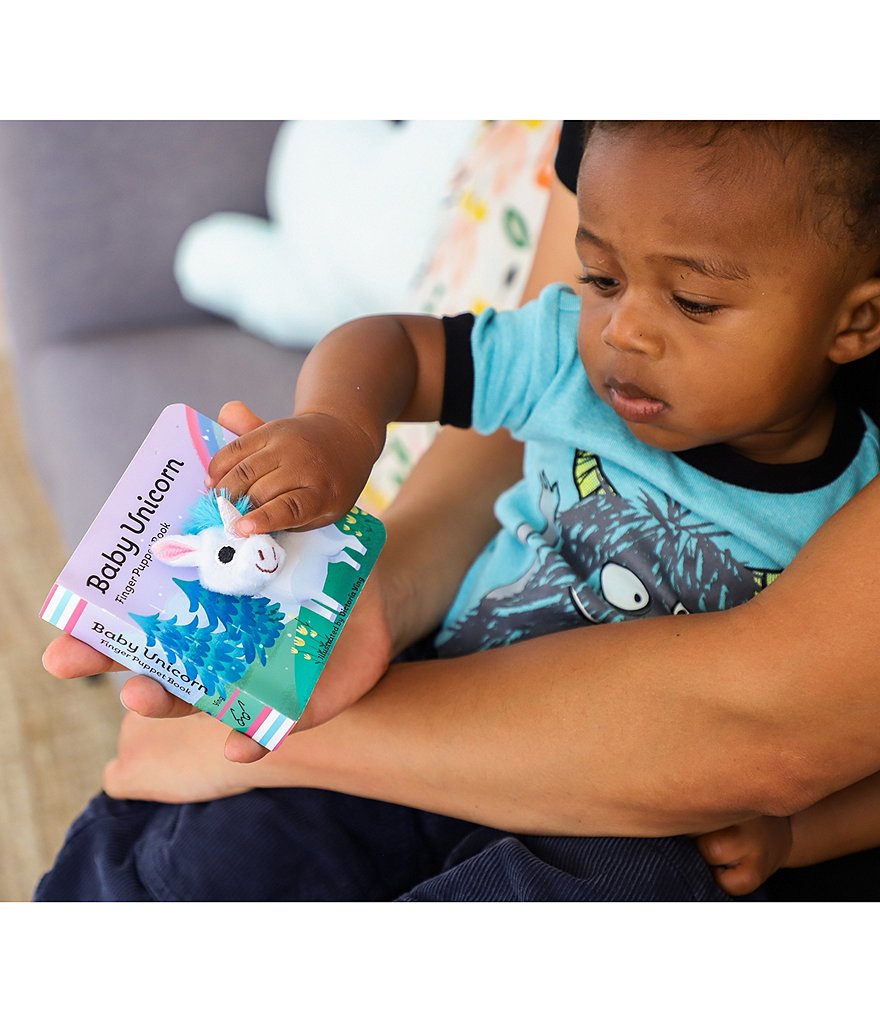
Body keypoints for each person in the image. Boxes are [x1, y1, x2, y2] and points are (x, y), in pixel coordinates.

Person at [36, 121, 880, 901]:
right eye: (602, 278)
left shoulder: (852, 499)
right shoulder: (563, 357)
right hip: (435, 672)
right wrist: (340, 426)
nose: (624, 330)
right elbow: (396, 345)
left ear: (858, 321)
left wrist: (799, 835)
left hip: (626, 817)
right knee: (212, 857)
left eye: (693, 302)